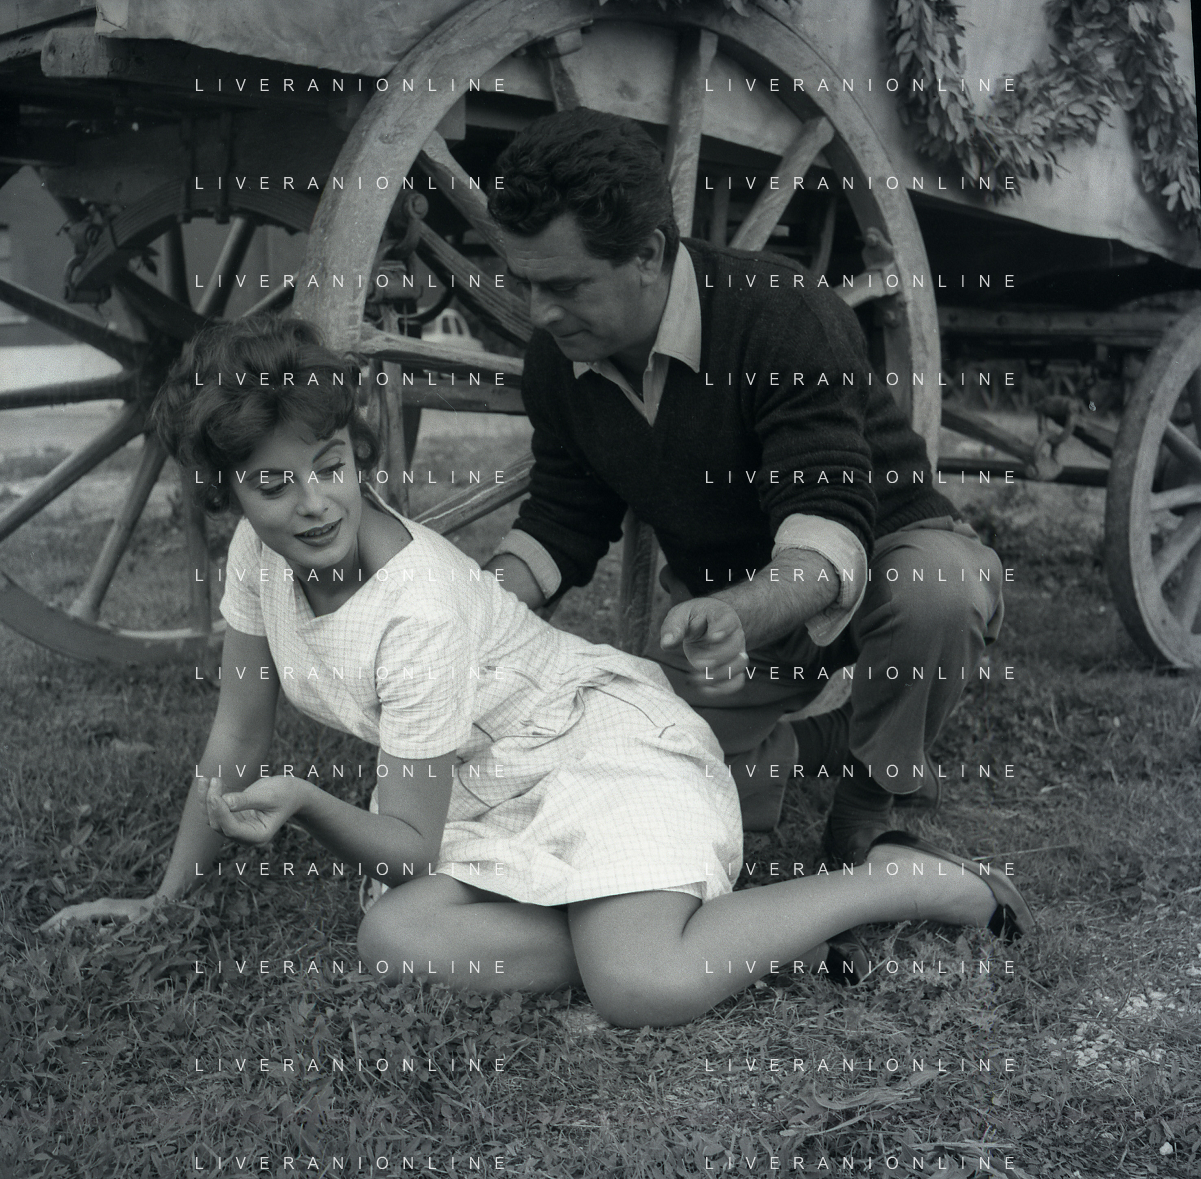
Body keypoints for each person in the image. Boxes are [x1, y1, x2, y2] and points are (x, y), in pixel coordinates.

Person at [39, 317, 1031, 1028]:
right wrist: (165, 898)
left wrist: (303, 800)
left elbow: (403, 847)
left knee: (642, 989)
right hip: (492, 785)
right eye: (273, 483)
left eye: (331, 465)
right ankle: (662, 928)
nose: (313, 503)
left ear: (356, 452)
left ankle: (883, 884)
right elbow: (236, 731)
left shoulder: (416, 604)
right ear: (227, 491)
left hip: (601, 749)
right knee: (394, 940)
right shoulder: (260, 557)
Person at [484, 108, 1005, 861]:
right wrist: (470, 604)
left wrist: (735, 613)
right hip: (731, 604)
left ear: (647, 254)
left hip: (874, 556)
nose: (540, 313)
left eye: (564, 285)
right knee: (627, 771)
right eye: (525, 283)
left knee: (939, 590)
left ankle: (870, 800)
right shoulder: (556, 363)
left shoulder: (781, 314)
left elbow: (826, 525)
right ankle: (818, 743)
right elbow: (564, 514)